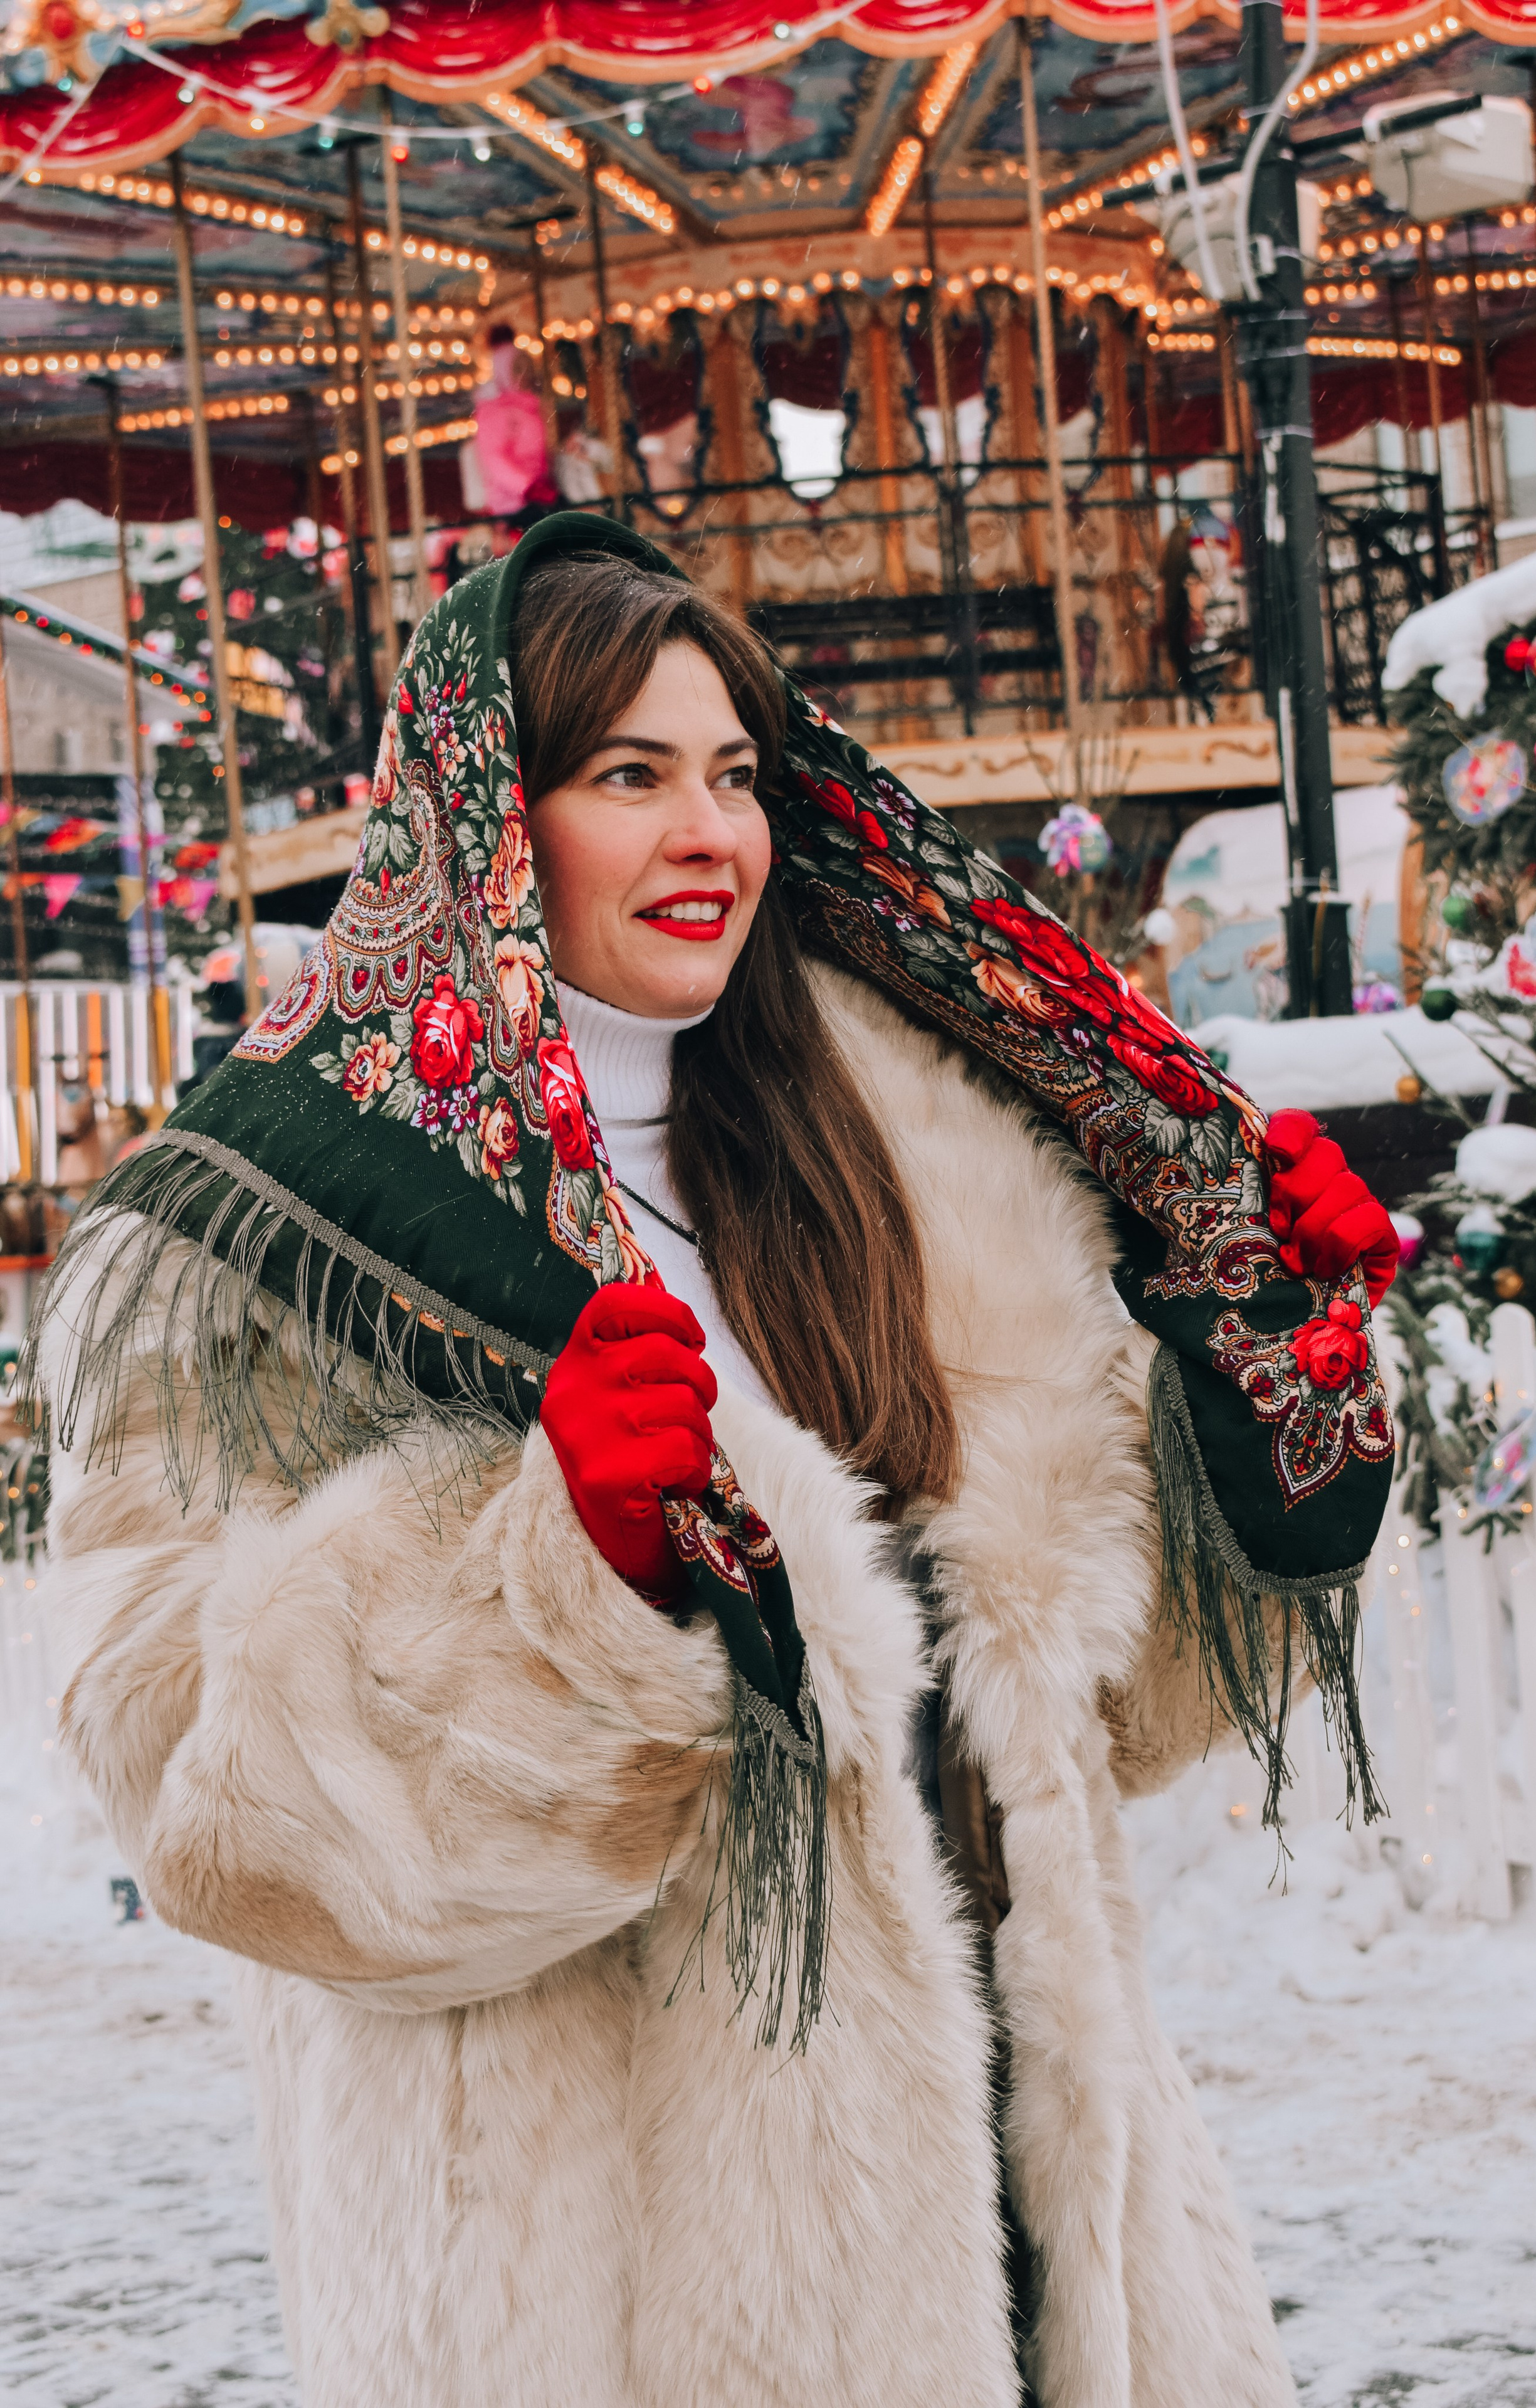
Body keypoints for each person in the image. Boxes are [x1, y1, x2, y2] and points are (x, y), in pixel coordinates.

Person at [29, 517, 1398, 2408]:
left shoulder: (924, 1161)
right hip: (599, 2296)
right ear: (491, 814)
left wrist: (1251, 1382)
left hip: (1027, 2241)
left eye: (736, 774)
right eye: (628, 775)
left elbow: (1094, 1726)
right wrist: (556, 1593)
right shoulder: (271, 1242)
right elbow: (214, 1816)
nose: (709, 833)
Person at [472, 322, 559, 522]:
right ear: (505, 372)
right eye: (517, 369)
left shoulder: (530, 406)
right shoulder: (495, 410)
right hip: (513, 501)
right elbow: (494, 459)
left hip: (538, 493)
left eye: (528, 368)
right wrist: (528, 487)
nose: (525, 375)